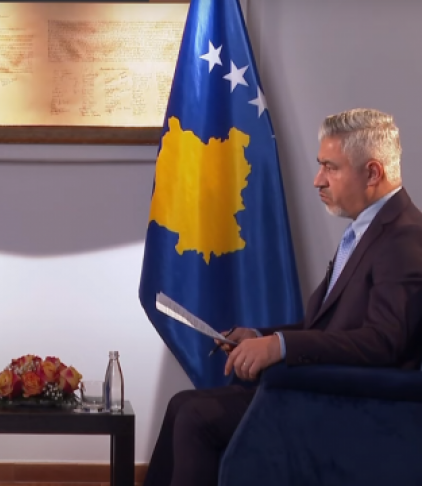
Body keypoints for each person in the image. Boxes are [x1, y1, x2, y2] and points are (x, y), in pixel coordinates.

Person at [143, 108, 422, 486]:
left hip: (356, 409)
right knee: (182, 405)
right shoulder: (367, 231)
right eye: (320, 165)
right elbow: (327, 327)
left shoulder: (404, 238)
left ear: (372, 173)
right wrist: (262, 336)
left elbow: (384, 342)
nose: (317, 180)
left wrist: (281, 347)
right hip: (324, 391)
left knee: (196, 416)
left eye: (330, 168)